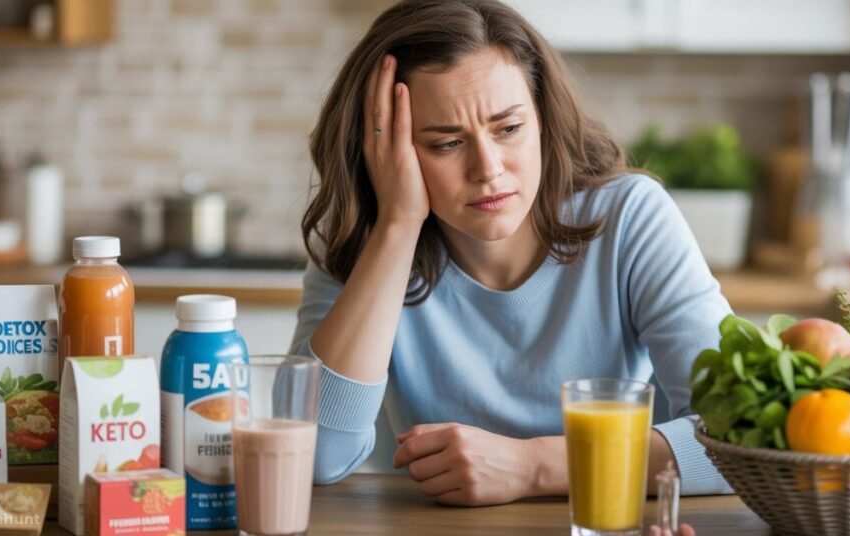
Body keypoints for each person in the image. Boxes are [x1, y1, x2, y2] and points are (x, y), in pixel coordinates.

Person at [290, 0, 731, 518]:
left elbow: (737, 440)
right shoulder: (358, 243)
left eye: (509, 129)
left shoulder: (631, 217)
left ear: (543, 117)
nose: (489, 169)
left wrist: (533, 465)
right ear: (387, 153)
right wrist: (396, 227)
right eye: (447, 143)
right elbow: (314, 456)